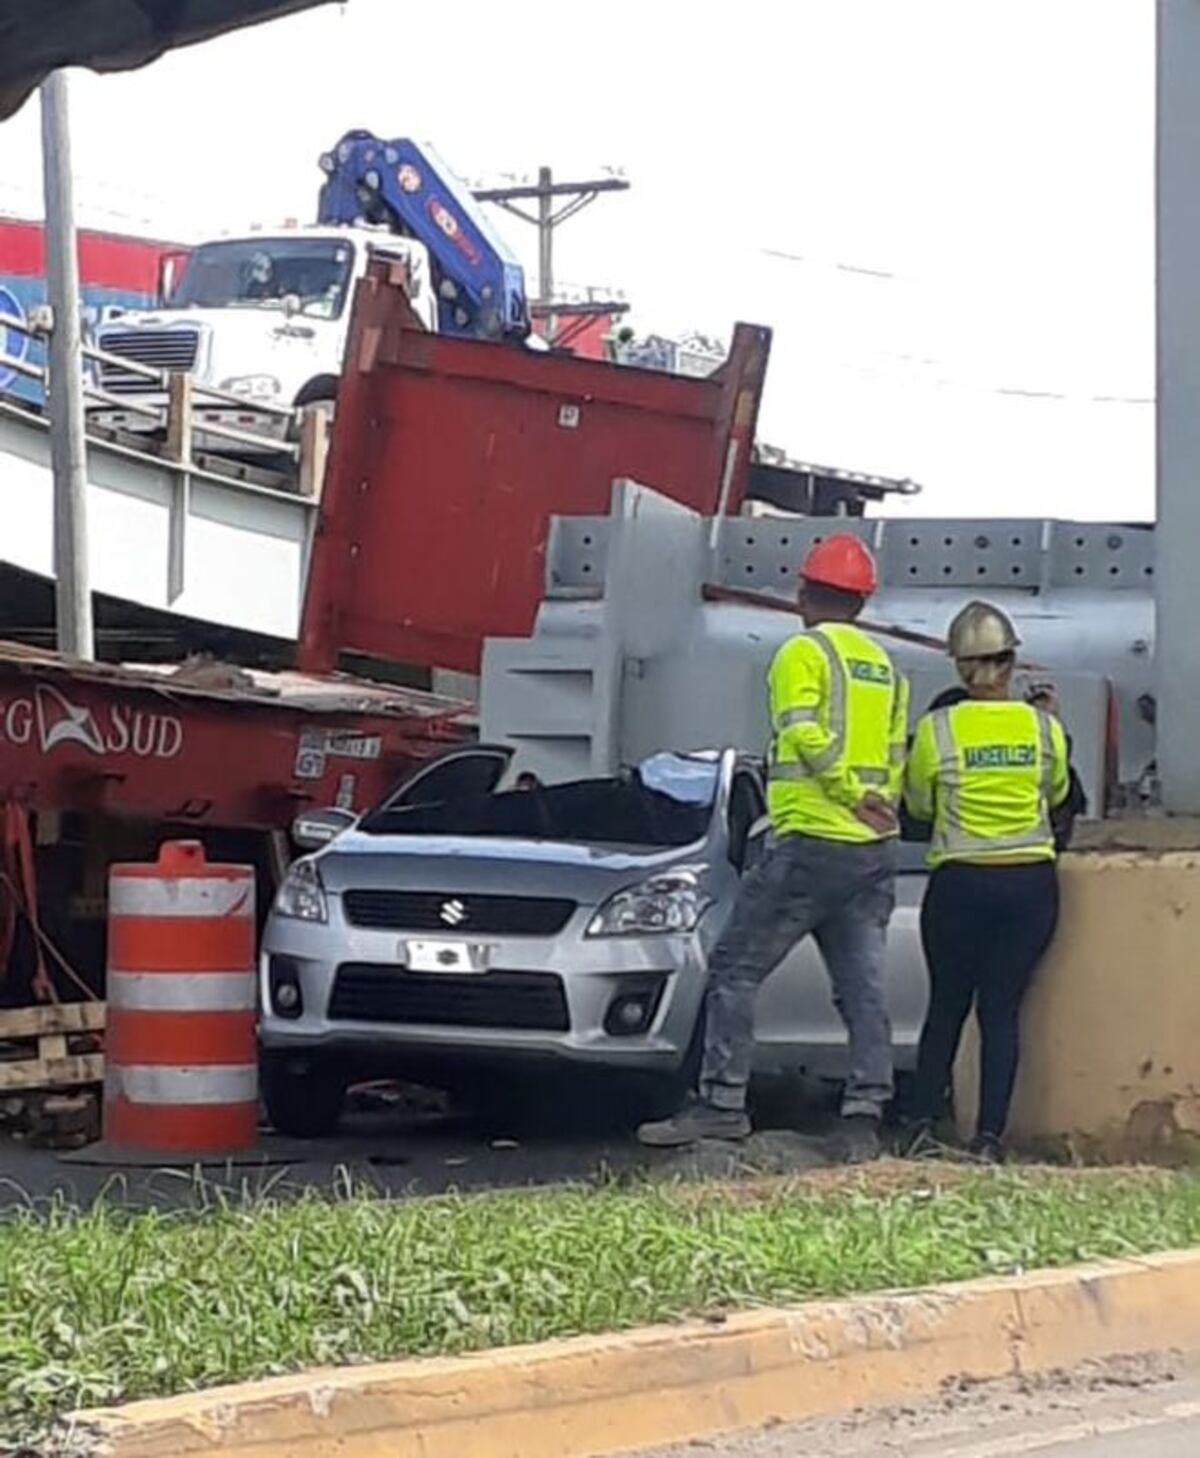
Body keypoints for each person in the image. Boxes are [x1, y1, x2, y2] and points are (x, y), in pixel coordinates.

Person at [638, 534, 909, 1162]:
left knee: (734, 968)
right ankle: (866, 1113)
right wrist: (872, 804)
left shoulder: (802, 652)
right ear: (863, 603)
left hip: (812, 838)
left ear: (805, 593)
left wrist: (844, 792)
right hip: (871, 851)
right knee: (862, 989)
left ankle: (721, 1105)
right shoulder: (885, 668)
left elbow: (801, 728)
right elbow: (893, 754)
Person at [903, 601, 1071, 1161]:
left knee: (946, 1006)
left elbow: (920, 805)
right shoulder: (1046, 729)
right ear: (1012, 662)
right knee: (1001, 1010)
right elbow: (1056, 796)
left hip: (960, 886)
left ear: (959, 667)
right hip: (1030, 887)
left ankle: (923, 1124)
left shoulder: (936, 730)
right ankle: (990, 1139)